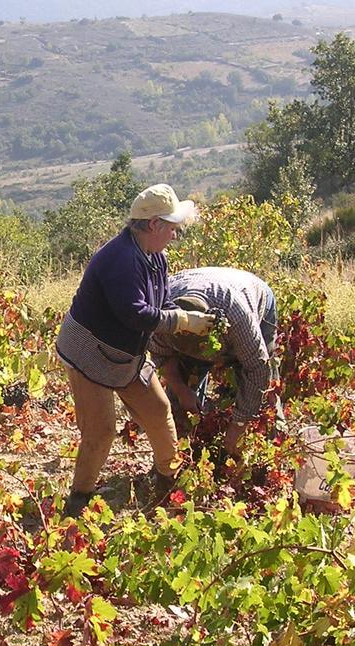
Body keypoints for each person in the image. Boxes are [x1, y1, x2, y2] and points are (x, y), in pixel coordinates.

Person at [55, 183, 215, 517]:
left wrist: (179, 314)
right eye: (171, 228)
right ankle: (78, 500)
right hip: (90, 353)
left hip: (126, 355)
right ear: (154, 225)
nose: (175, 235)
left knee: (158, 411)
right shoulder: (120, 261)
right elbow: (136, 314)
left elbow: (162, 301)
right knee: (100, 431)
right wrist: (183, 320)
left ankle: (165, 479)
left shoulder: (156, 257)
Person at [149, 267, 279, 471]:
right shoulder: (160, 316)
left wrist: (238, 426)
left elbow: (257, 368)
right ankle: (178, 458)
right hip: (197, 285)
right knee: (177, 401)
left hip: (252, 292)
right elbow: (162, 356)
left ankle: (273, 450)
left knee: (265, 395)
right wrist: (183, 392)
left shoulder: (236, 316)